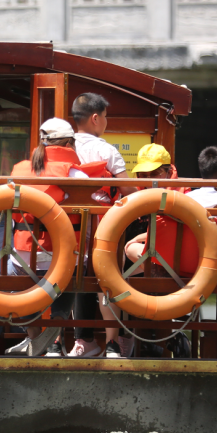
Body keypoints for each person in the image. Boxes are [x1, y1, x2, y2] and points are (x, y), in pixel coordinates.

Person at [5, 118, 91, 357]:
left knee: (21, 284)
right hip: (62, 258)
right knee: (74, 270)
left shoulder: (18, 169)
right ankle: (56, 328)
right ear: (69, 143)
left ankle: (34, 337)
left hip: (23, 257)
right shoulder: (75, 174)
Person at [69, 93, 136, 358]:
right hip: (102, 228)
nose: (106, 122)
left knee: (75, 278)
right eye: (105, 117)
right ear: (96, 118)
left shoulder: (62, 147)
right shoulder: (106, 150)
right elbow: (128, 190)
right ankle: (112, 343)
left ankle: (79, 342)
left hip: (68, 229)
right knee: (108, 281)